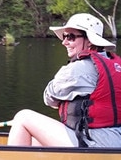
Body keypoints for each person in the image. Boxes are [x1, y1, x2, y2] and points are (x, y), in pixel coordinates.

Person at [7, 13, 121, 147]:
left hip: (95, 143)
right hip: (117, 138)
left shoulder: (78, 68)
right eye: (64, 36)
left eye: (71, 37)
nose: (64, 42)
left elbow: (49, 98)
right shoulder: (116, 64)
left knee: (23, 117)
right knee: (35, 141)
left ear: (89, 41)